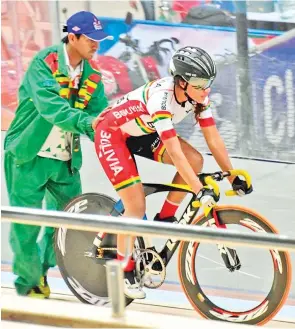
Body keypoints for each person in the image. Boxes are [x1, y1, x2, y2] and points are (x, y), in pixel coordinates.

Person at [94, 46, 253, 300]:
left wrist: (232, 174)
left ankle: (165, 218)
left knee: (196, 160)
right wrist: (199, 191)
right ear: (181, 81)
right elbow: (175, 153)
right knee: (135, 207)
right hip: (112, 135)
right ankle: (124, 269)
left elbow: (213, 140)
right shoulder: (162, 98)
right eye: (200, 84)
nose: (205, 89)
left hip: (142, 133)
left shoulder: (198, 98)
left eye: (208, 83)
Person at [4, 11, 112, 298]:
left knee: (66, 224)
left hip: (66, 160)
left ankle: (39, 270)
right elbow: (52, 108)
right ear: (73, 37)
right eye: (90, 39)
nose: (95, 45)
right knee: (25, 228)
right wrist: (90, 123)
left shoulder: (93, 74)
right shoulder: (44, 63)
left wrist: (114, 128)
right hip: (28, 155)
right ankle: (28, 285)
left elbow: (99, 112)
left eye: (99, 40)